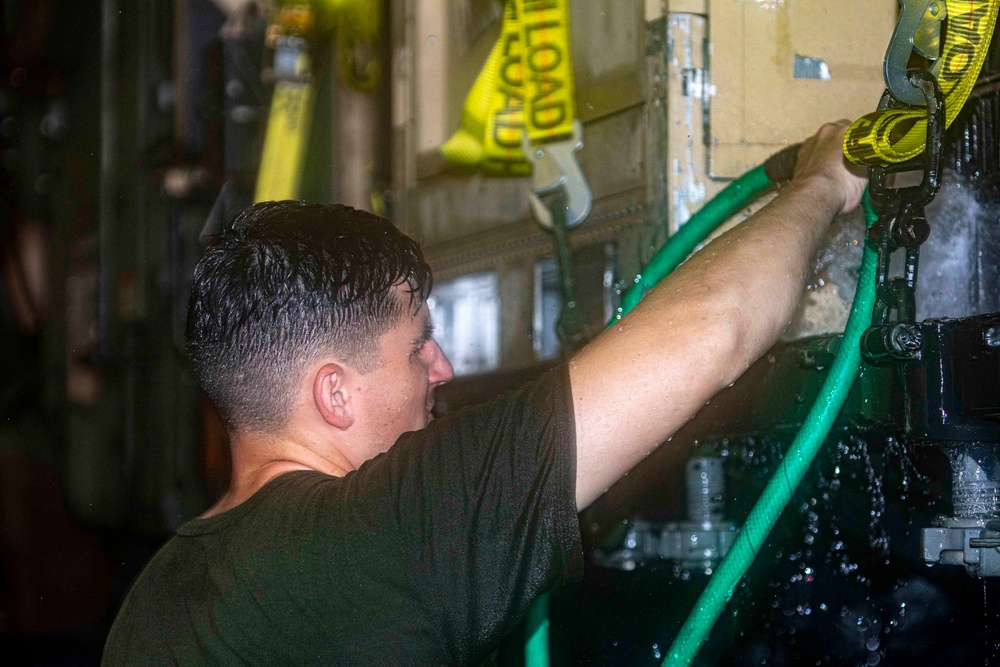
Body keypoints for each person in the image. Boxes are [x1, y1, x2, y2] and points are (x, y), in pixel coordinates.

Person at [102, 120, 865, 665]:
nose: (441, 368)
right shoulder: (378, 536)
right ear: (333, 394)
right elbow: (714, 327)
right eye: (415, 347)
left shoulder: (153, 602)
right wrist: (824, 182)